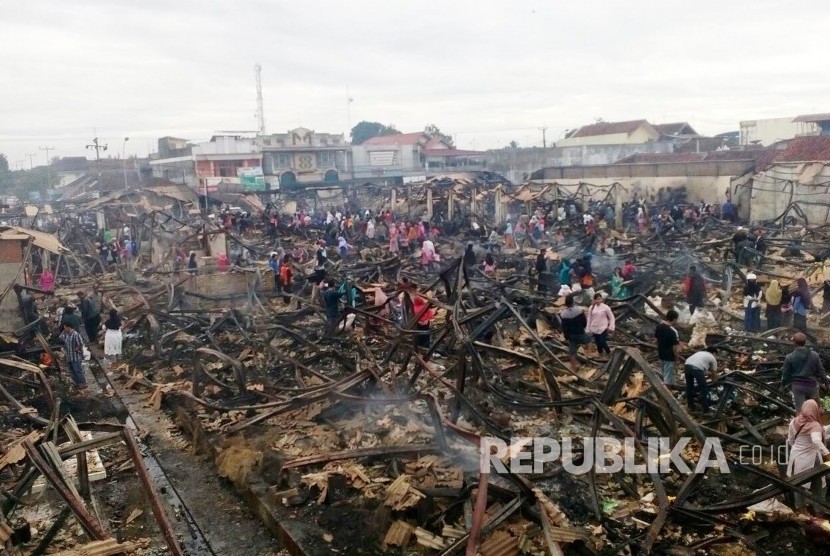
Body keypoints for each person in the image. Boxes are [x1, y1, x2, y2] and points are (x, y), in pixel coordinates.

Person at [787, 399, 830, 511]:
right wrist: (827, 453)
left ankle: (800, 510)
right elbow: (816, 440)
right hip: (811, 458)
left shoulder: (794, 421)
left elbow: (791, 440)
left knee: (798, 484)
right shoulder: (814, 424)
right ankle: (819, 510)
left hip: (796, 456)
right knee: (819, 485)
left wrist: (799, 448)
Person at [782, 332, 829, 410]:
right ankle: (815, 421)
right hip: (812, 386)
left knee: (800, 411)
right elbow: (821, 371)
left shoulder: (789, 357)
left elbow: (785, 374)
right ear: (805, 342)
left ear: (794, 343)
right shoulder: (814, 355)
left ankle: (800, 421)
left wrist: (783, 385)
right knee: (815, 410)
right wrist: (827, 383)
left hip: (797, 387)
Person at [559, 295, 589, 372]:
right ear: (573, 302)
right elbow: (584, 321)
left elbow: (564, 328)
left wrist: (566, 337)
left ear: (566, 304)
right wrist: (583, 327)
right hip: (581, 333)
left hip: (572, 336)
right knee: (589, 341)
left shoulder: (563, 314)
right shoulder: (579, 310)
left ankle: (574, 367)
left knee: (572, 353)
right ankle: (588, 356)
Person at [684, 347, 718, 413]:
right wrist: (715, 381)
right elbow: (714, 372)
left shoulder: (700, 353)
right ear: (714, 353)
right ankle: (705, 409)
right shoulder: (713, 358)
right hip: (696, 368)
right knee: (703, 389)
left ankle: (691, 406)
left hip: (687, 366)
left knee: (689, 387)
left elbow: (702, 368)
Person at [655, 309, 681, 386]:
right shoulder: (673, 331)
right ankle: (667, 394)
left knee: (663, 374)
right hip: (669, 357)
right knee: (669, 379)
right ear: (674, 319)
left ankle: (662, 390)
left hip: (661, 354)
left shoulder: (659, 327)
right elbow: (675, 348)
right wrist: (677, 359)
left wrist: (659, 350)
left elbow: (656, 340)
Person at [59, 321, 87, 391]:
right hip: (69, 356)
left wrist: (78, 349)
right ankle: (77, 383)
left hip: (75, 356)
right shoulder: (67, 334)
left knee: (77, 370)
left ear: (69, 327)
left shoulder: (76, 334)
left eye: (65, 328)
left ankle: (82, 383)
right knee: (72, 371)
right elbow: (61, 338)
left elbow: (80, 343)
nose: (64, 329)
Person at [587, 293, 615, 358]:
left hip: (603, 327)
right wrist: (588, 328)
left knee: (602, 341)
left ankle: (608, 352)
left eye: (599, 299)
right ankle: (600, 354)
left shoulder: (605, 307)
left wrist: (611, 326)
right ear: (594, 300)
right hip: (594, 327)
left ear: (601, 299)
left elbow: (611, 317)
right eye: (596, 299)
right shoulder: (591, 307)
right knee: (598, 342)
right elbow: (589, 318)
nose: (598, 301)